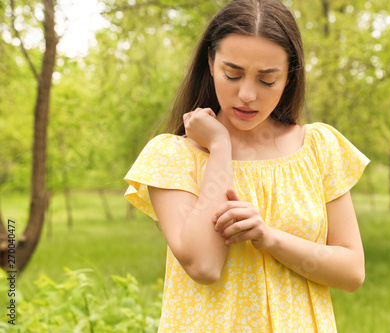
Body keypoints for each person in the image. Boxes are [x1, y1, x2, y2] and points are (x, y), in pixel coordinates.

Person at [124, 0, 369, 331]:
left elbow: (352, 272)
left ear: (289, 78)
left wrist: (269, 238)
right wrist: (220, 146)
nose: (247, 94)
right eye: (232, 74)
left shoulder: (318, 147)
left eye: (267, 79)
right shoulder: (173, 155)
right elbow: (203, 265)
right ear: (210, 63)